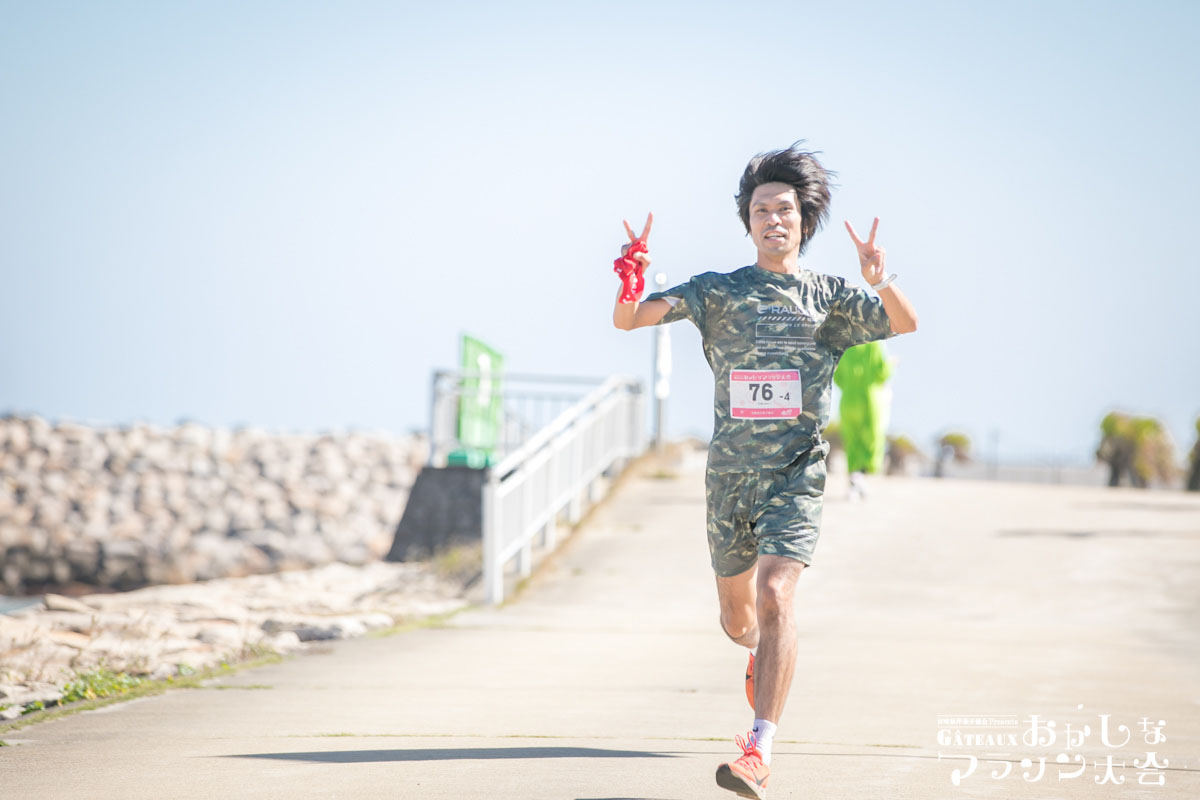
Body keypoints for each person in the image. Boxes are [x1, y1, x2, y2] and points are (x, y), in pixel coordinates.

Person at [611, 142, 918, 799]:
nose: (773, 220)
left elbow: (905, 322)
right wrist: (630, 277)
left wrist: (879, 277)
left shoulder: (832, 296)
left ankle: (759, 748)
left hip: (796, 472)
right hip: (730, 478)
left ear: (805, 221)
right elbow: (630, 320)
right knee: (738, 619)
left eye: (784, 210)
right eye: (760, 211)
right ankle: (757, 652)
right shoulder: (717, 291)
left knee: (778, 593)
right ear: (747, 222)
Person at [833, 340, 894, 500]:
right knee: (872, 439)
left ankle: (854, 477)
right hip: (871, 399)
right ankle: (860, 476)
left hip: (848, 399)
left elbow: (837, 376)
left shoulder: (845, 344)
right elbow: (882, 372)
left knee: (852, 440)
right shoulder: (876, 343)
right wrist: (893, 363)